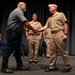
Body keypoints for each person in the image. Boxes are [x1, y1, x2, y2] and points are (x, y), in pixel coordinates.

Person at [1, 2, 37, 73]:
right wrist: (33, 29)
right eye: (25, 6)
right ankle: (4, 67)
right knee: (9, 50)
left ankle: (19, 65)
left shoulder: (18, 11)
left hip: (16, 34)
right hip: (13, 34)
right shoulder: (18, 11)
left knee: (18, 50)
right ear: (20, 5)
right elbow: (25, 22)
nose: (26, 7)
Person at [37, 4, 72, 73]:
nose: (49, 9)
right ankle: (52, 66)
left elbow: (65, 23)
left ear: (54, 8)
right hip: (52, 34)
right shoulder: (50, 18)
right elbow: (45, 26)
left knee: (63, 51)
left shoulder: (60, 14)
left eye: (50, 8)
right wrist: (38, 30)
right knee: (52, 51)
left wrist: (65, 34)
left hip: (59, 33)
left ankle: (68, 66)